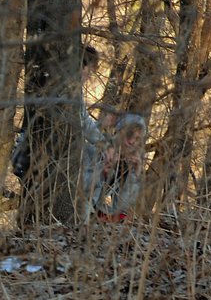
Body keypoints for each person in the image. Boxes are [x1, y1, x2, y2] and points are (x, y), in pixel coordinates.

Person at [11, 44, 106, 219]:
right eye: (90, 70)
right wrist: (105, 145)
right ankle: (84, 215)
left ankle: (85, 213)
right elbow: (83, 122)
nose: (89, 76)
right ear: (82, 66)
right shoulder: (67, 89)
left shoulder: (67, 87)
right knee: (92, 159)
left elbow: (83, 121)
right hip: (35, 153)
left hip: (34, 152)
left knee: (93, 157)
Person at [93, 112, 146, 220]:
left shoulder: (126, 164)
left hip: (94, 214)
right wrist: (102, 172)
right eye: (129, 135)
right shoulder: (99, 147)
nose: (132, 142)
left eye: (137, 139)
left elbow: (121, 208)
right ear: (119, 131)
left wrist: (135, 173)